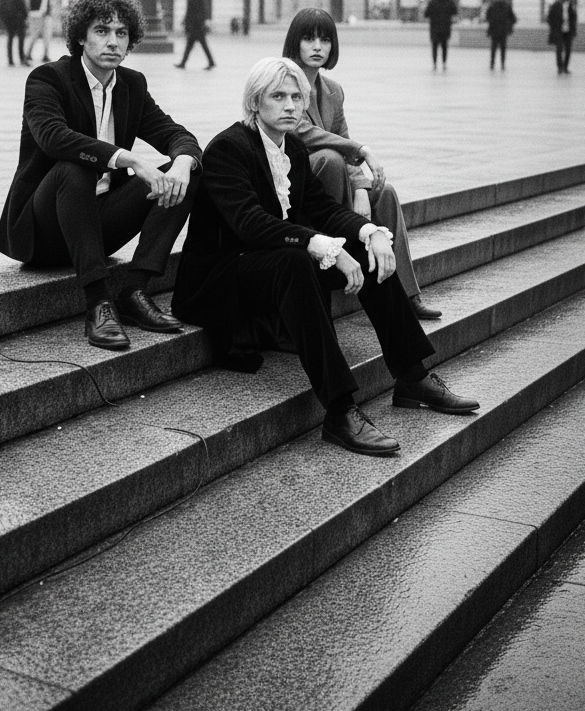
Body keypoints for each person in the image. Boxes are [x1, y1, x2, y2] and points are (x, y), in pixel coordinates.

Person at [172, 57, 479, 457]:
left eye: (296, 97)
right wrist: (323, 246)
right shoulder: (228, 148)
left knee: (363, 253)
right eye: (277, 96)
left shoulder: (292, 149)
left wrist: (371, 233)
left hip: (269, 267)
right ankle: (339, 412)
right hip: (219, 280)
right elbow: (250, 224)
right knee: (298, 258)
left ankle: (412, 377)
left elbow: (323, 209)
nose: (290, 105)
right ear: (254, 102)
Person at [0, 0, 202, 351]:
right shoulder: (48, 79)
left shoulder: (131, 85)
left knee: (191, 171)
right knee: (76, 168)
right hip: (47, 229)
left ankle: (135, 291)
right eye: (102, 31)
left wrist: (183, 161)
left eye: (121, 33)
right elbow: (54, 138)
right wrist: (131, 158)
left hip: (100, 224)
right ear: (80, 36)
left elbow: (175, 134)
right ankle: (99, 303)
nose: (113, 42)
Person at [281, 8, 440, 320]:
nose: (317, 47)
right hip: (296, 186)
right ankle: (329, 270)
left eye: (325, 40)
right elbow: (300, 132)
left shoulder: (333, 90)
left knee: (388, 193)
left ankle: (406, 294)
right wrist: (360, 149)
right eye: (309, 38)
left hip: (336, 179)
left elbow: (340, 136)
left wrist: (361, 189)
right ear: (294, 43)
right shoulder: (284, 81)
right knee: (328, 159)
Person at [174, 0, 215, 70]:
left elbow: (193, 12)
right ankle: (183, 63)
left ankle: (183, 63)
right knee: (193, 45)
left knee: (198, 45)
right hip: (197, 26)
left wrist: (190, 23)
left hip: (196, 27)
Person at [424, 0, 456, 70]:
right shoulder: (450, 2)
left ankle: (434, 63)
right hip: (445, 29)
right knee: (444, 47)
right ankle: (444, 63)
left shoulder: (433, 2)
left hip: (434, 28)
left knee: (434, 47)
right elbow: (454, 12)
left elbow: (426, 14)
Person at [23, 0, 52, 64]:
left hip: (38, 15)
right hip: (40, 15)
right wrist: (41, 13)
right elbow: (43, 3)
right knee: (38, 36)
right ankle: (28, 54)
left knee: (41, 37)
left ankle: (41, 54)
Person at [0, 0, 29, 66]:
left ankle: (10, 59)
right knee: (21, 39)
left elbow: (0, 8)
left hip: (8, 21)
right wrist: (24, 17)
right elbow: (22, 8)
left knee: (10, 39)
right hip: (19, 21)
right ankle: (22, 58)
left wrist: (4, 19)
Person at [547, 0, 577, 74]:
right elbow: (550, 18)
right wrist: (554, 27)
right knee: (559, 49)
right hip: (559, 31)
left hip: (568, 31)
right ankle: (560, 67)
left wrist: (573, 30)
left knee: (568, 50)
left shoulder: (571, 6)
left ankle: (565, 67)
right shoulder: (556, 5)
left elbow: (573, 19)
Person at [485, 0, 517, 70]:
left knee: (494, 48)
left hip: (495, 30)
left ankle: (493, 63)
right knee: (501, 48)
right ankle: (501, 64)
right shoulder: (506, 6)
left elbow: (487, 17)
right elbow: (513, 19)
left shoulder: (493, 6)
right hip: (502, 31)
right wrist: (508, 26)